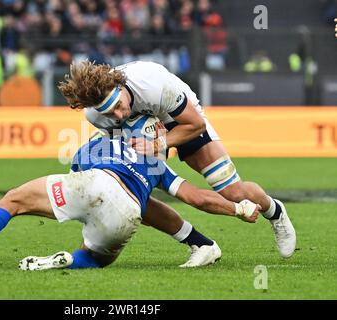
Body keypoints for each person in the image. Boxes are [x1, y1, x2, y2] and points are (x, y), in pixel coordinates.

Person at [0, 132, 260, 271]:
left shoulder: (100, 141)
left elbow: (80, 171)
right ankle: (67, 260)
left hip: (95, 182)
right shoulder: (159, 166)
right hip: (128, 214)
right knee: (99, 258)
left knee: (14, 201)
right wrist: (238, 208)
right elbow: (197, 197)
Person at [58, 60, 296, 258]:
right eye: (111, 113)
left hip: (178, 119)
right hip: (138, 131)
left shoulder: (152, 84)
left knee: (232, 192)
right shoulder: (96, 115)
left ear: (121, 88)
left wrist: (160, 143)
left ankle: (274, 211)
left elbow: (195, 124)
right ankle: (200, 243)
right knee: (134, 194)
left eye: (119, 105)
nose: (119, 114)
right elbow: (120, 132)